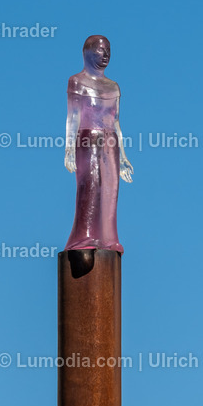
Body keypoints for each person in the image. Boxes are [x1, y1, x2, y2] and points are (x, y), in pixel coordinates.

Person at [64, 35, 132, 253]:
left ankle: (109, 238)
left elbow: (116, 122)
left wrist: (123, 158)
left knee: (110, 190)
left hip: (110, 142)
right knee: (90, 187)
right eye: (101, 50)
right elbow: (73, 117)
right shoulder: (77, 81)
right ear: (87, 52)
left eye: (108, 50)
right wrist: (69, 150)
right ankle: (84, 236)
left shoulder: (113, 87)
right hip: (87, 140)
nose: (106, 55)